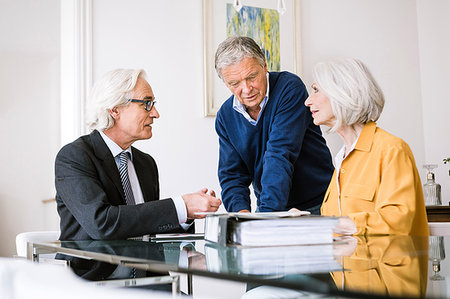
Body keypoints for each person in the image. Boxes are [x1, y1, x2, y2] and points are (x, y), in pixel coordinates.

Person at [55, 68, 222, 242]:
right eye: (146, 104)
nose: (155, 113)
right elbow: (102, 224)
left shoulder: (146, 163)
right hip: (94, 269)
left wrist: (186, 215)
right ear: (115, 109)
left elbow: (147, 228)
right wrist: (180, 206)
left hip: (145, 267)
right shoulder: (74, 157)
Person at [304, 57, 429, 235]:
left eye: (316, 90)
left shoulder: (391, 150)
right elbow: (337, 229)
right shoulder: (340, 160)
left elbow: (398, 222)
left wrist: (330, 225)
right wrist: (305, 222)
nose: (307, 101)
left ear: (342, 92)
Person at [214, 36, 334, 214]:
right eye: (235, 83)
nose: (247, 89)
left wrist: (265, 218)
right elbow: (232, 176)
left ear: (264, 67)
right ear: (225, 82)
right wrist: (242, 216)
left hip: (318, 203)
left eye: (252, 77)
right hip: (272, 208)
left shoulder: (289, 88)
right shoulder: (225, 116)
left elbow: (279, 154)